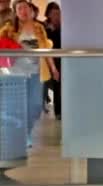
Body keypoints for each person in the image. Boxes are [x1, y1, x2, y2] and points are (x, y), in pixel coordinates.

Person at [0, 0, 59, 134]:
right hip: (16, 73)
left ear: (31, 10)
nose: (23, 11)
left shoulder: (39, 27)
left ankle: (28, 129)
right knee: (17, 106)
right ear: (16, 12)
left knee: (36, 106)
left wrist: (53, 68)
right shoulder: (9, 28)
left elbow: (46, 48)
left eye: (25, 8)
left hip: (36, 72)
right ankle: (23, 134)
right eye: (20, 9)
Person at [44, 2, 61, 120]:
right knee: (56, 84)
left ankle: (62, 110)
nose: (56, 15)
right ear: (49, 14)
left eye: (58, 13)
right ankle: (58, 112)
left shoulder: (64, 25)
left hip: (63, 57)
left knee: (61, 85)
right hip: (52, 58)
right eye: (53, 13)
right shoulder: (45, 27)